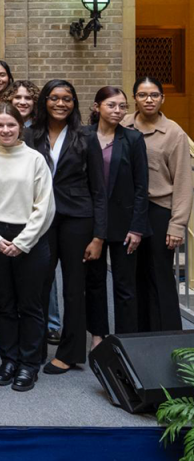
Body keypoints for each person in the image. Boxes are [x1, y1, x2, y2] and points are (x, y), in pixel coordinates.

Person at [0, 103, 55, 392]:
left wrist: (22, 242)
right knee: (4, 305)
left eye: (11, 125)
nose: (5, 130)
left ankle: (29, 364)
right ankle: (8, 359)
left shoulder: (35, 160)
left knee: (30, 305)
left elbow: (44, 207)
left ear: (21, 126)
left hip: (30, 238)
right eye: (0, 125)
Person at [29, 80, 106, 376]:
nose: (61, 103)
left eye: (68, 99)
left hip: (78, 219)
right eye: (55, 98)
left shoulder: (86, 137)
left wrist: (99, 235)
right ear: (44, 101)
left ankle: (71, 353)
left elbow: (99, 190)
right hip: (41, 218)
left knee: (75, 288)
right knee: (39, 283)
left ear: (74, 103)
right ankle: (34, 346)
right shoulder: (30, 135)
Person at [122, 77, 193, 332]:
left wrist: (177, 225)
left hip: (159, 211)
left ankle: (167, 334)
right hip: (129, 211)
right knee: (133, 275)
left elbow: (184, 181)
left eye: (154, 95)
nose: (148, 99)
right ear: (135, 99)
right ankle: (139, 333)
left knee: (160, 275)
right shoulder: (123, 125)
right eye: (142, 95)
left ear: (163, 98)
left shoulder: (173, 132)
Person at [86, 87, 149, 346]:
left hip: (125, 224)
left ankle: (126, 340)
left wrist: (137, 228)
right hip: (90, 223)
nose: (118, 111)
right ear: (97, 106)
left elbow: (141, 187)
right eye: (112, 105)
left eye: (123, 106)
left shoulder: (133, 139)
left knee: (125, 286)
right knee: (94, 282)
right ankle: (98, 335)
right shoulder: (83, 136)